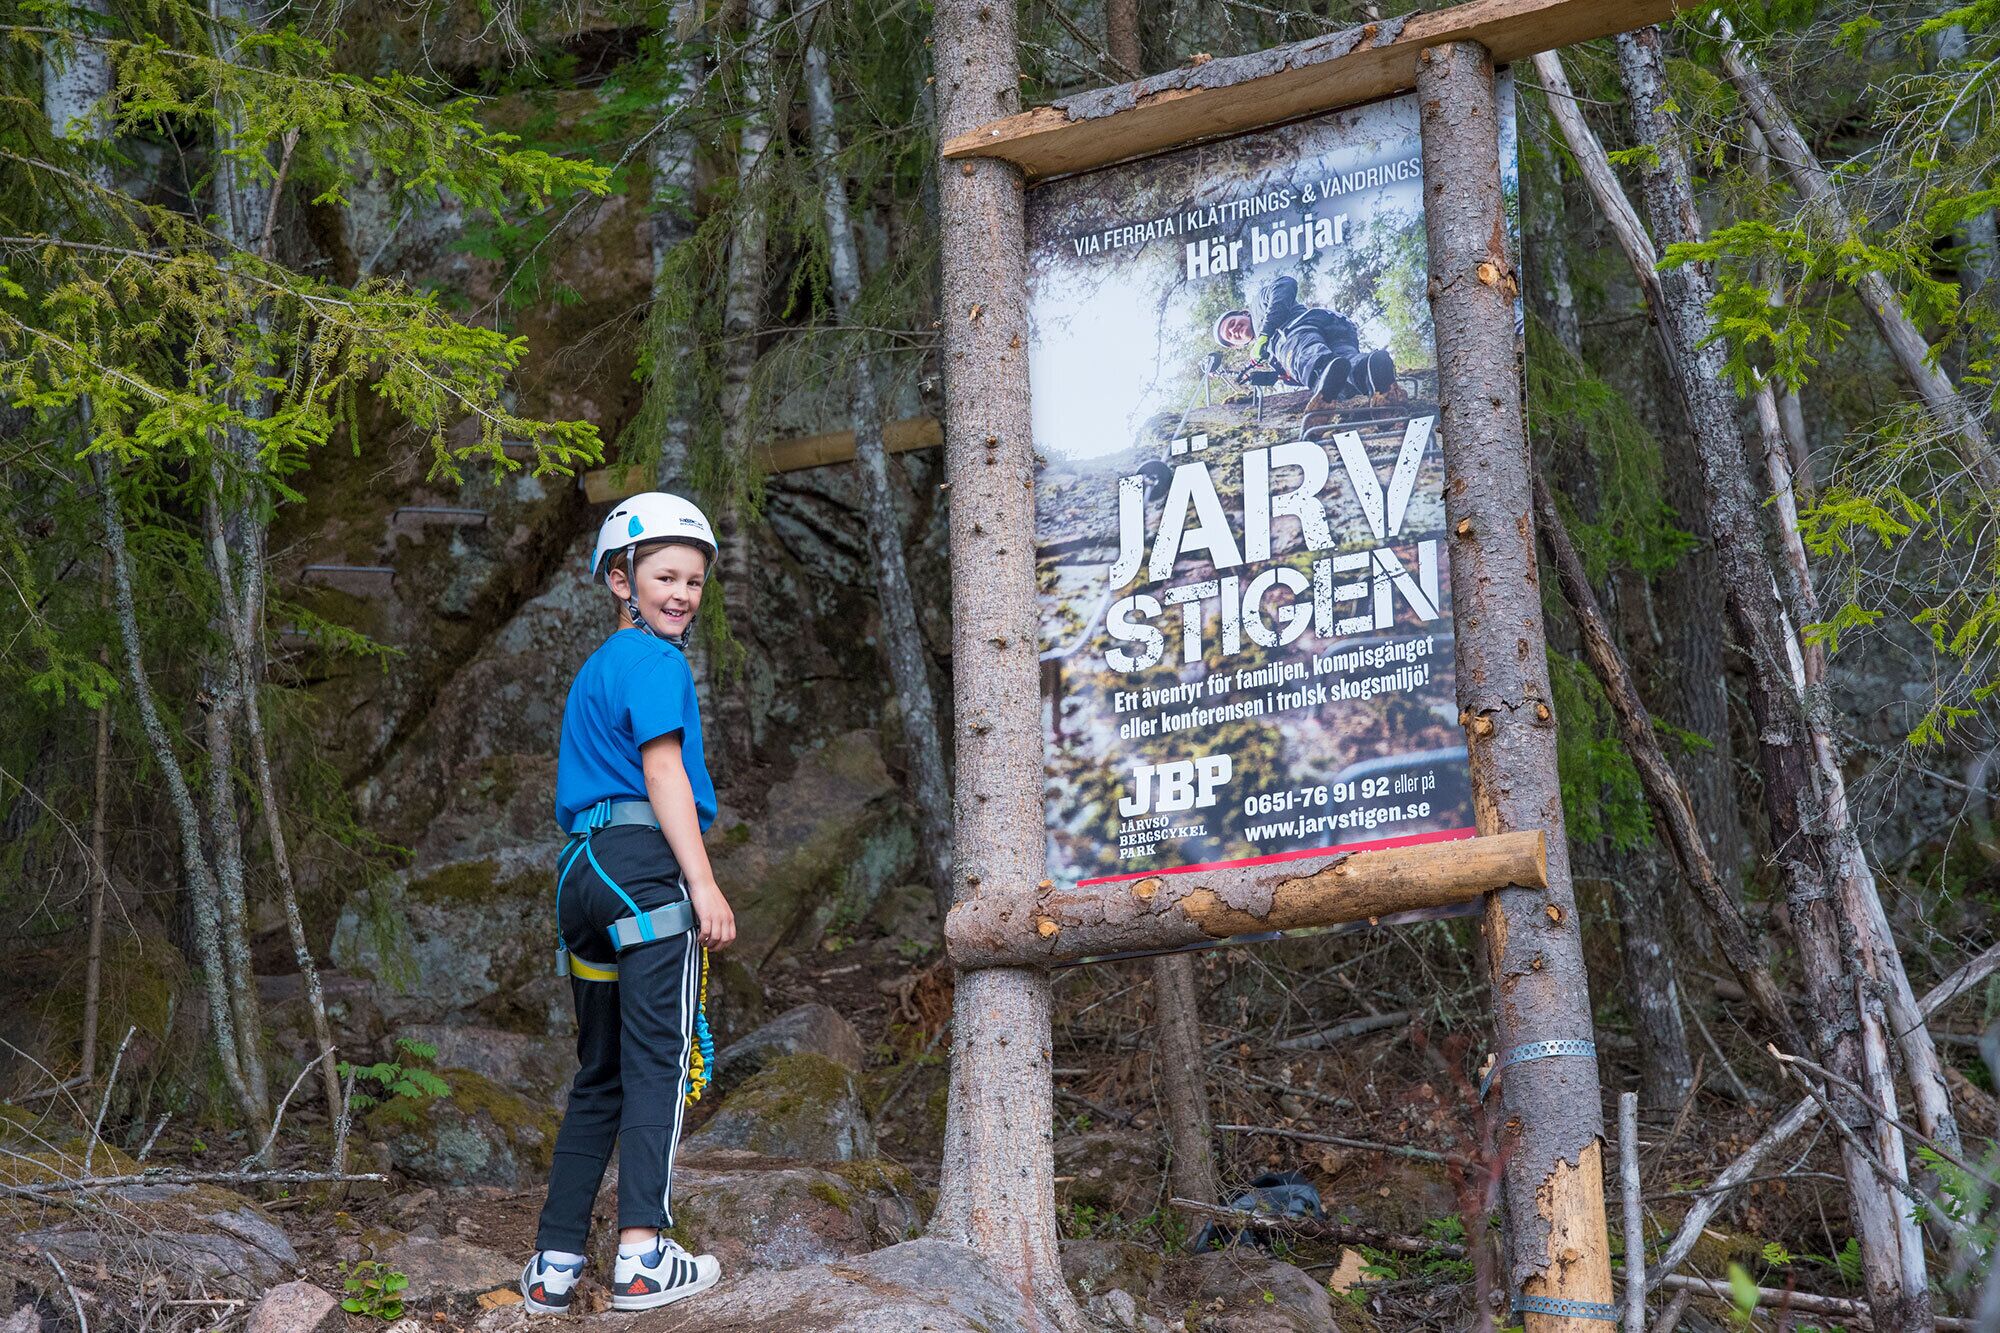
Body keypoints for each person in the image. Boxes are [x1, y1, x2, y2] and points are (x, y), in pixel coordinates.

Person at [517, 492, 736, 1315]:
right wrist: (703, 882)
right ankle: (643, 1254)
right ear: (621, 579)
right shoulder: (656, 663)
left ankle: (555, 1261)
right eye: (665, 576)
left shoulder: (596, 668)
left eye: (694, 581)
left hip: (580, 872)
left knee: (600, 1072)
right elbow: (664, 772)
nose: (682, 593)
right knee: (658, 1060)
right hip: (641, 868)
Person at [1213, 274, 1396, 402]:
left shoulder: (1258, 305)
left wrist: (1265, 335)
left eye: (1232, 323)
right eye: (1231, 335)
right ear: (1238, 346)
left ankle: (1323, 374)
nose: (1234, 330)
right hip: (1337, 329)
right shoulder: (1268, 352)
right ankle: (1372, 370)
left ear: (1244, 313)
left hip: (1300, 329)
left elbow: (1286, 284)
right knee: (1346, 365)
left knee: (1312, 363)